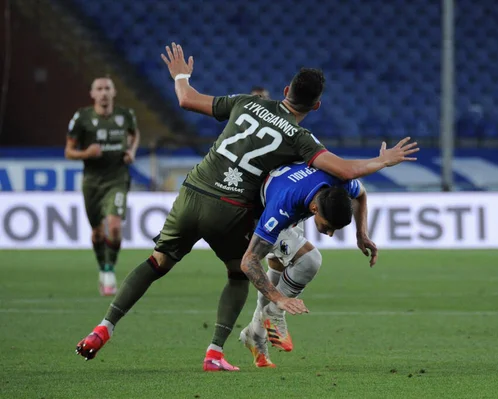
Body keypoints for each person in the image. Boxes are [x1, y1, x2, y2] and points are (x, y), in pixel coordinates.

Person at [75, 43, 419, 371]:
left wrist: (181, 76)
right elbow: (343, 171)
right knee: (239, 273)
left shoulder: (244, 102)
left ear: (285, 89)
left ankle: (104, 327)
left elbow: (186, 99)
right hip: (230, 208)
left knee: (156, 262)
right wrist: (383, 160)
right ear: (316, 106)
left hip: (192, 192)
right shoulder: (302, 140)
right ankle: (215, 353)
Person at [238, 162, 375, 368]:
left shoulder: (342, 184)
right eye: (328, 227)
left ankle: (255, 335)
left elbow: (361, 194)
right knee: (309, 260)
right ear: (314, 209)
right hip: (261, 214)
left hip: (292, 202)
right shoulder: (283, 207)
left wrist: (361, 234)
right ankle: (272, 316)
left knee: (280, 267)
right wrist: (279, 300)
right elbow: (249, 261)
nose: (329, 234)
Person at [64, 76, 140, 296]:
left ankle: (110, 269)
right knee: (97, 233)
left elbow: (134, 136)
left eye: (108, 88)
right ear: (93, 94)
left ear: (114, 92)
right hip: (92, 182)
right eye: (99, 89)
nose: (104, 92)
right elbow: (68, 151)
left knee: (114, 227)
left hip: (117, 178)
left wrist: (131, 151)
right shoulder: (82, 118)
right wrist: (86, 153)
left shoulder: (125, 115)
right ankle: (102, 267)